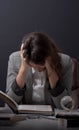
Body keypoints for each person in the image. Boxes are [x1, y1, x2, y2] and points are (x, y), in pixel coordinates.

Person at [6, 32, 73, 109]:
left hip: (54, 118)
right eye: (33, 66)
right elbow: (9, 104)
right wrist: (23, 68)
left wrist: (50, 68)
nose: (38, 70)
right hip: (24, 117)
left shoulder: (65, 62)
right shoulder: (14, 59)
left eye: (42, 66)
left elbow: (65, 106)